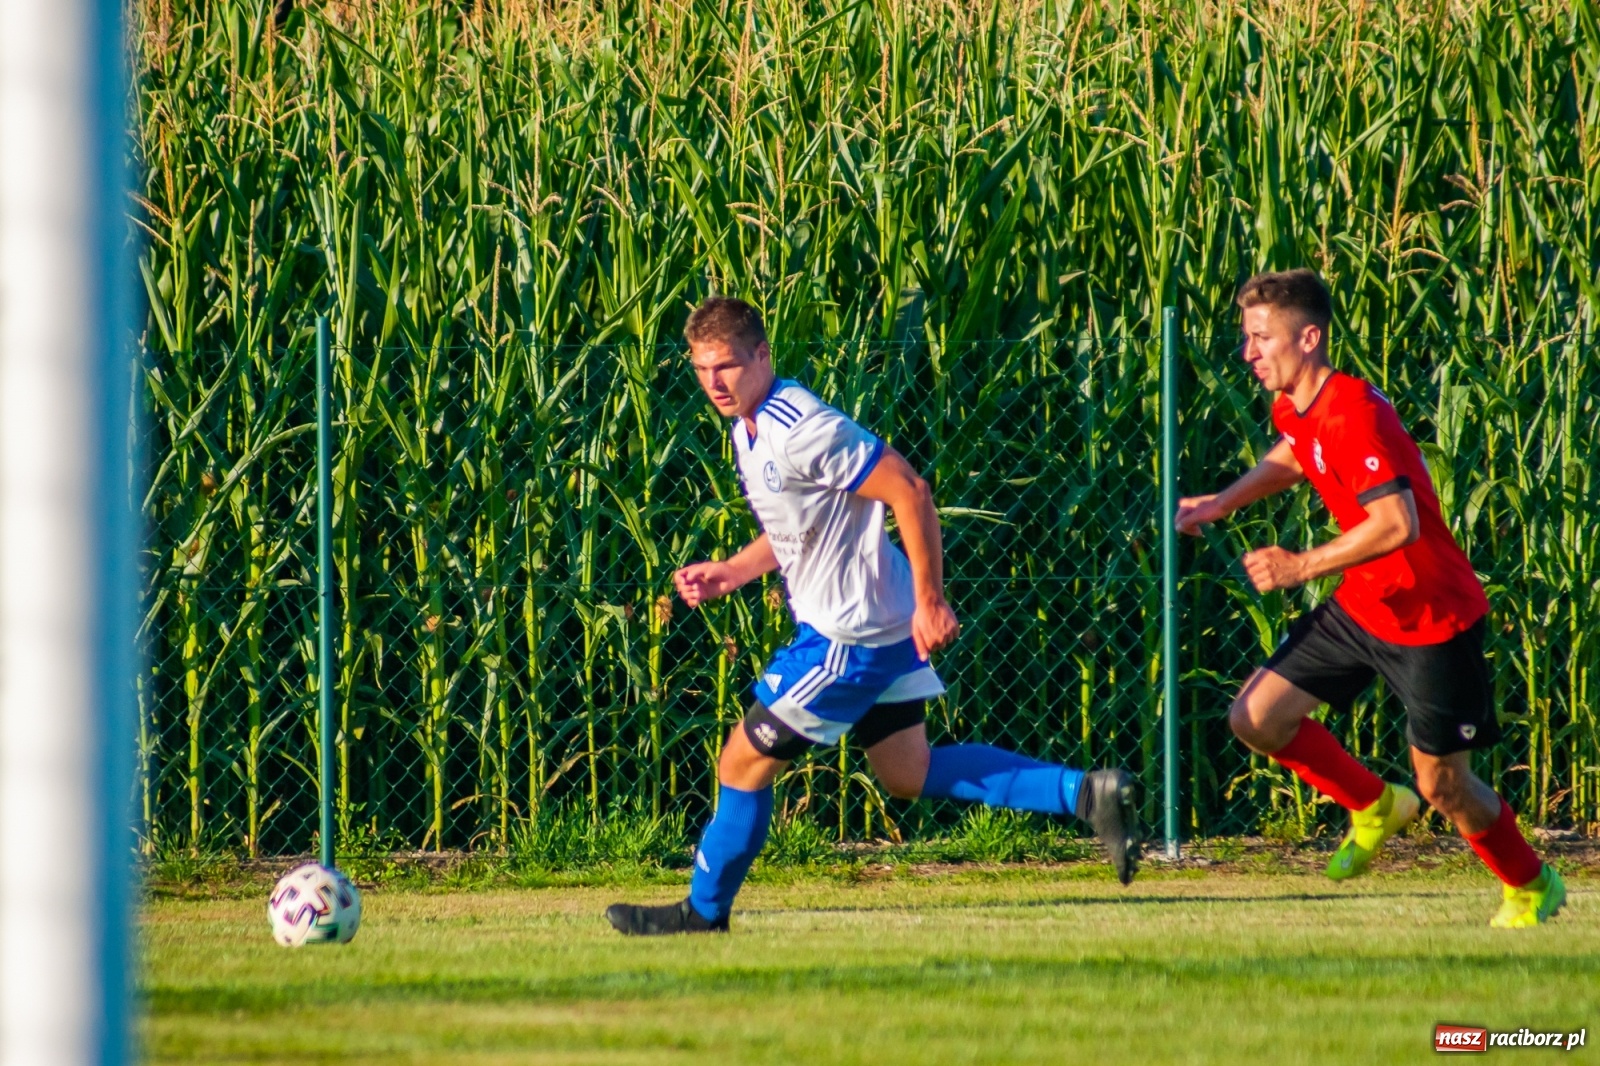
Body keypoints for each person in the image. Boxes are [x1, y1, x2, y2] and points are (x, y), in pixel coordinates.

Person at [605, 296, 1141, 935]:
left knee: (740, 762)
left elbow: (909, 489)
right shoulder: (749, 428)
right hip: (876, 627)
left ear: (762, 356)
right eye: (701, 370)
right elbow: (798, 528)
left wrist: (932, 598)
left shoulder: (799, 425)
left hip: (848, 636)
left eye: (726, 366)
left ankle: (703, 912)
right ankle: (1087, 794)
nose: (714, 383)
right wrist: (733, 571)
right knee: (908, 773)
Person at [1174, 269, 1564, 928]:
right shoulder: (1294, 404)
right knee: (1256, 718)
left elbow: (1397, 525)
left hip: (1432, 618)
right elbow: (1297, 454)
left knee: (1443, 785)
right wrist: (1223, 501)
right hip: (1364, 606)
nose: (1249, 352)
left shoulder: (1357, 414)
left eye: (1261, 338)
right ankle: (1374, 804)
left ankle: (1530, 883)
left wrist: (1300, 566)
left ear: (1310, 338)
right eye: (1247, 338)